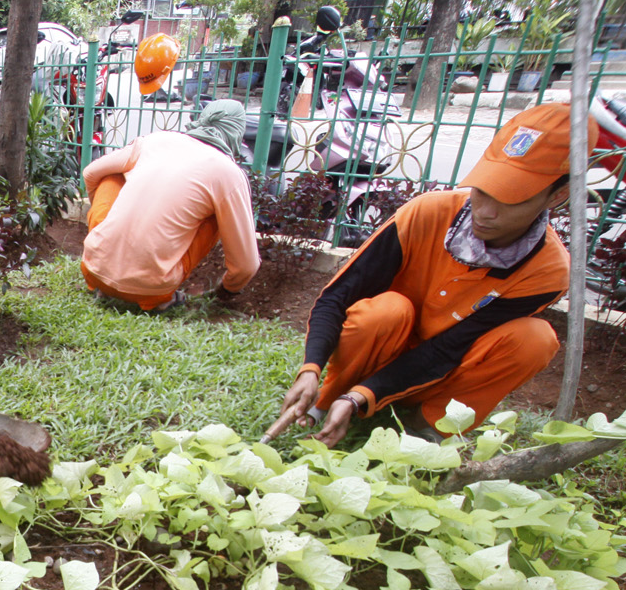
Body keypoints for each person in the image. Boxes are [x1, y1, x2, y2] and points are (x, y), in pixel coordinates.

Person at [264, 102, 597, 446]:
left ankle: (426, 426)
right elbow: (339, 295)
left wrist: (362, 395)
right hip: (374, 353)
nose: (485, 212)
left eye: (511, 200)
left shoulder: (547, 271)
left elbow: (448, 350)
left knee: (534, 340)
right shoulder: (427, 213)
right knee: (388, 310)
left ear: (558, 195)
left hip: (441, 375)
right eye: (483, 190)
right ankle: (327, 399)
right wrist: (311, 368)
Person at [80, 99, 260, 310]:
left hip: (93, 269)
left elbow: (90, 172)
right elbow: (246, 265)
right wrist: (227, 290)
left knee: (111, 177)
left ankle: (105, 256)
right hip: (152, 289)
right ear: (237, 133)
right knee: (221, 213)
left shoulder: (156, 140)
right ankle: (163, 299)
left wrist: (105, 226)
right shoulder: (228, 172)